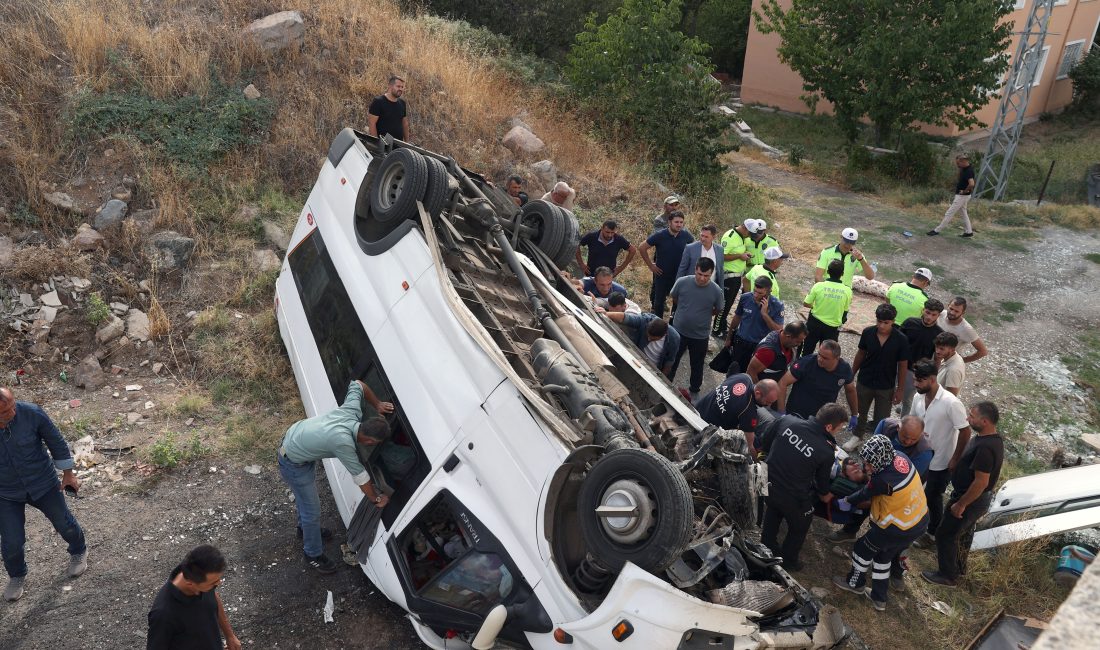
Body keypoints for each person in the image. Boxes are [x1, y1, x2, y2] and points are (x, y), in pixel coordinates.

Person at [278, 380, 394, 573]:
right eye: (374, 444)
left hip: (297, 440)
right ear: (370, 439)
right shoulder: (343, 442)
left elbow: (358, 384)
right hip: (293, 461)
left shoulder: (352, 412)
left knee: (305, 501)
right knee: (312, 511)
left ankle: (304, 530)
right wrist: (377, 498)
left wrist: (378, 404)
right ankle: (312, 554)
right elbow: (361, 477)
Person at [0, 388, 87, 603]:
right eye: (5, 411)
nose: (12, 412)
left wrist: (68, 474)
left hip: (43, 483)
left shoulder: (31, 412)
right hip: (7, 492)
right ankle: (17, 575)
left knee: (63, 522)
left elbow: (55, 441)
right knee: (11, 541)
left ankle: (79, 550)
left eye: (13, 406)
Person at [832, 434, 928, 611]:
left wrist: (845, 501)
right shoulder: (900, 457)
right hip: (919, 520)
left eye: (869, 464)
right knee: (883, 556)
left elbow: (863, 494)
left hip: (897, 526)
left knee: (862, 549)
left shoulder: (882, 480)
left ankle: (855, 584)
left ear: (880, 460)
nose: (866, 467)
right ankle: (879, 599)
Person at [758, 403, 848, 570]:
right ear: (829, 427)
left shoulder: (788, 421)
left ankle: (767, 545)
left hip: (765, 482)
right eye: (839, 428)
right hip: (791, 496)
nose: (838, 432)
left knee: (773, 508)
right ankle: (789, 561)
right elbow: (822, 485)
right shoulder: (825, 451)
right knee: (801, 523)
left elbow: (765, 440)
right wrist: (826, 494)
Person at [922, 402, 1003, 587]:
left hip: (971, 499)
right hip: (972, 498)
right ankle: (958, 568)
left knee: (945, 533)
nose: (968, 418)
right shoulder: (989, 439)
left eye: (972, 416)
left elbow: (981, 482)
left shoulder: (986, 448)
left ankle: (947, 576)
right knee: (962, 534)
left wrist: (961, 504)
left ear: (984, 421)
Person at [828, 415, 934, 543]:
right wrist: (865, 477)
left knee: (878, 507)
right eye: (905, 436)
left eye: (914, 439)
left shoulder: (924, 452)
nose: (908, 441)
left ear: (921, 434)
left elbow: (903, 481)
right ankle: (850, 530)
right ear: (898, 427)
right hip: (879, 475)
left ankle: (878, 542)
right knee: (859, 491)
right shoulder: (885, 425)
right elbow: (871, 453)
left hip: (901, 489)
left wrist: (869, 496)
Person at [909, 359, 971, 545]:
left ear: (933, 379)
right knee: (914, 490)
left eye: (920, 381)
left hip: (941, 460)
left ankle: (933, 533)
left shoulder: (951, 403)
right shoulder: (917, 397)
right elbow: (912, 420)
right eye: (915, 380)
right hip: (919, 455)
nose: (916, 384)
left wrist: (955, 458)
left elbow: (965, 430)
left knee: (933, 496)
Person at [147, 545, 241, 650]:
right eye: (213, 583)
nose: (219, 583)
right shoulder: (163, 615)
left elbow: (214, 598)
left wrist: (230, 636)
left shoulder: (199, 574)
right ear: (190, 584)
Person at [849, 303, 909, 447]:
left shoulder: (901, 339)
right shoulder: (868, 332)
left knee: (882, 418)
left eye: (886, 323)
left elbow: (902, 365)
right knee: (860, 411)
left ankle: (876, 443)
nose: (882, 326)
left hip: (886, 385)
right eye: (879, 321)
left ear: (893, 321)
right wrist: (851, 374)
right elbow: (861, 354)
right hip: (865, 379)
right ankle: (857, 437)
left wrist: (900, 389)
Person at [669, 258, 724, 398]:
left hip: (700, 335)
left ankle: (694, 390)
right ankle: (666, 383)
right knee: (672, 359)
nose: (702, 278)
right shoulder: (682, 282)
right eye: (700, 274)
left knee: (697, 364)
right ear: (695, 269)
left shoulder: (716, 291)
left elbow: (718, 309)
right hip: (678, 331)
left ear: (711, 274)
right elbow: (674, 298)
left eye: (706, 276)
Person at [777, 340, 859, 422]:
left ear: (837, 358)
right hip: (797, 414)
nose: (820, 359)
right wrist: (781, 412)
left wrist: (854, 414)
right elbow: (782, 383)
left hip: (822, 417)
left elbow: (850, 390)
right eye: (819, 354)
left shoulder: (844, 369)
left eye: (825, 358)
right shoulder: (806, 363)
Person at [694, 375, 780, 452]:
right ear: (758, 394)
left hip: (697, 409)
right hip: (703, 429)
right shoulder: (748, 412)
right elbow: (750, 446)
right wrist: (755, 461)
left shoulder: (743, 378)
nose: (768, 405)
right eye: (768, 402)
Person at [601, 299, 680, 378]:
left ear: (664, 334)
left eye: (653, 339)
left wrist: (662, 378)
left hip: (654, 369)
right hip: (638, 360)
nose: (648, 339)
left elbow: (669, 362)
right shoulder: (644, 320)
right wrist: (606, 313)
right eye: (648, 336)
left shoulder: (674, 338)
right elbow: (625, 318)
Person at [724, 275, 785, 377]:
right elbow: (737, 318)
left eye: (760, 293)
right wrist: (729, 338)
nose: (755, 295)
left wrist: (765, 315)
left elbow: (779, 330)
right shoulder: (745, 298)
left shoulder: (777, 305)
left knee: (750, 376)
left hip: (759, 347)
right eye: (755, 291)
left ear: (769, 291)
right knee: (733, 374)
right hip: (741, 343)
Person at [639, 210, 694, 318]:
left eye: (681, 222)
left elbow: (694, 249)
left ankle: (673, 323)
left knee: (677, 300)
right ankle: (657, 323)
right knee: (658, 302)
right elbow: (642, 247)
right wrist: (651, 265)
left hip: (679, 275)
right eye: (676, 222)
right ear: (670, 222)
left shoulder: (686, 235)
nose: (679, 224)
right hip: (661, 274)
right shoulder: (660, 235)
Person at [898, 299, 945, 414]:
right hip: (898, 365)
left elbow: (937, 358)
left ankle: (904, 427)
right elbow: (897, 342)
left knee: (908, 400)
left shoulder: (939, 334)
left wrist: (933, 375)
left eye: (934, 315)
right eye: (928, 312)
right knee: (890, 393)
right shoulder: (909, 323)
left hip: (916, 372)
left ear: (938, 315)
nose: (929, 317)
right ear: (923, 310)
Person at [800, 259, 852, 357]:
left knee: (806, 350)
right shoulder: (847, 291)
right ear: (842, 273)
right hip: (832, 329)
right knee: (827, 355)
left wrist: (816, 306)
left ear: (827, 272)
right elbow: (845, 312)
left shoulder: (818, 286)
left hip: (814, 324)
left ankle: (802, 368)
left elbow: (806, 303)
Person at [715, 219, 758, 338]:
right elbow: (722, 255)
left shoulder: (743, 237)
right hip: (728, 276)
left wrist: (745, 254)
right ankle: (716, 329)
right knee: (724, 304)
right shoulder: (730, 236)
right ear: (744, 227)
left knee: (729, 303)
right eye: (749, 233)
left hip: (737, 276)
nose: (749, 236)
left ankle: (722, 325)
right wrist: (739, 256)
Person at [928, 154, 975, 237]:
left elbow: (971, 184)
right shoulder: (964, 169)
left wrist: (964, 191)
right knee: (964, 214)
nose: (957, 165)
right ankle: (969, 232)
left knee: (949, 213)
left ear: (963, 161)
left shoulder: (969, 171)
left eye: (958, 163)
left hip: (962, 196)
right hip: (962, 196)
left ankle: (937, 230)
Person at [938, 297, 989, 364]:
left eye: (956, 311)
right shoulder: (941, 314)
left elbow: (983, 351)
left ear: (963, 313)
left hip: (945, 363)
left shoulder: (966, 329)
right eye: (951, 308)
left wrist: (962, 360)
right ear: (948, 306)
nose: (952, 312)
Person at [676, 224, 725, 289]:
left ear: (713, 237)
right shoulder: (690, 248)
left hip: (711, 288)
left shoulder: (720, 249)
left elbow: (720, 271)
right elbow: (682, 269)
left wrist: (721, 291)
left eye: (706, 237)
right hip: (692, 287)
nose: (703, 239)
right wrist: (677, 287)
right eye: (702, 235)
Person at [367, 75, 409, 141]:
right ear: (390, 86)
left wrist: (407, 142)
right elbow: (372, 123)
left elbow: (405, 124)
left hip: (398, 146)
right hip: (383, 145)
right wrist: (376, 143)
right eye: (398, 86)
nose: (400, 89)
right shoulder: (378, 101)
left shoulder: (402, 103)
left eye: (402, 87)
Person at [935, 332, 966, 396]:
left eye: (942, 349)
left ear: (952, 349)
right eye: (937, 347)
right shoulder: (949, 357)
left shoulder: (953, 370)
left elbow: (951, 395)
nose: (937, 351)